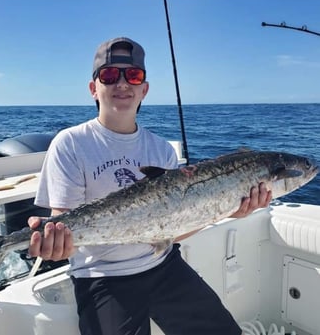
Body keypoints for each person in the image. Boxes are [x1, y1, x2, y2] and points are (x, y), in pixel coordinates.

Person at [28, 37, 272, 335]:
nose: (122, 84)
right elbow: (66, 227)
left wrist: (229, 212)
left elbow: (172, 229)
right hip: (103, 276)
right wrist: (55, 245)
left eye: (133, 75)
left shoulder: (162, 150)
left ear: (144, 89)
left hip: (163, 265)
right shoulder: (71, 143)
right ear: (94, 88)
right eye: (109, 75)